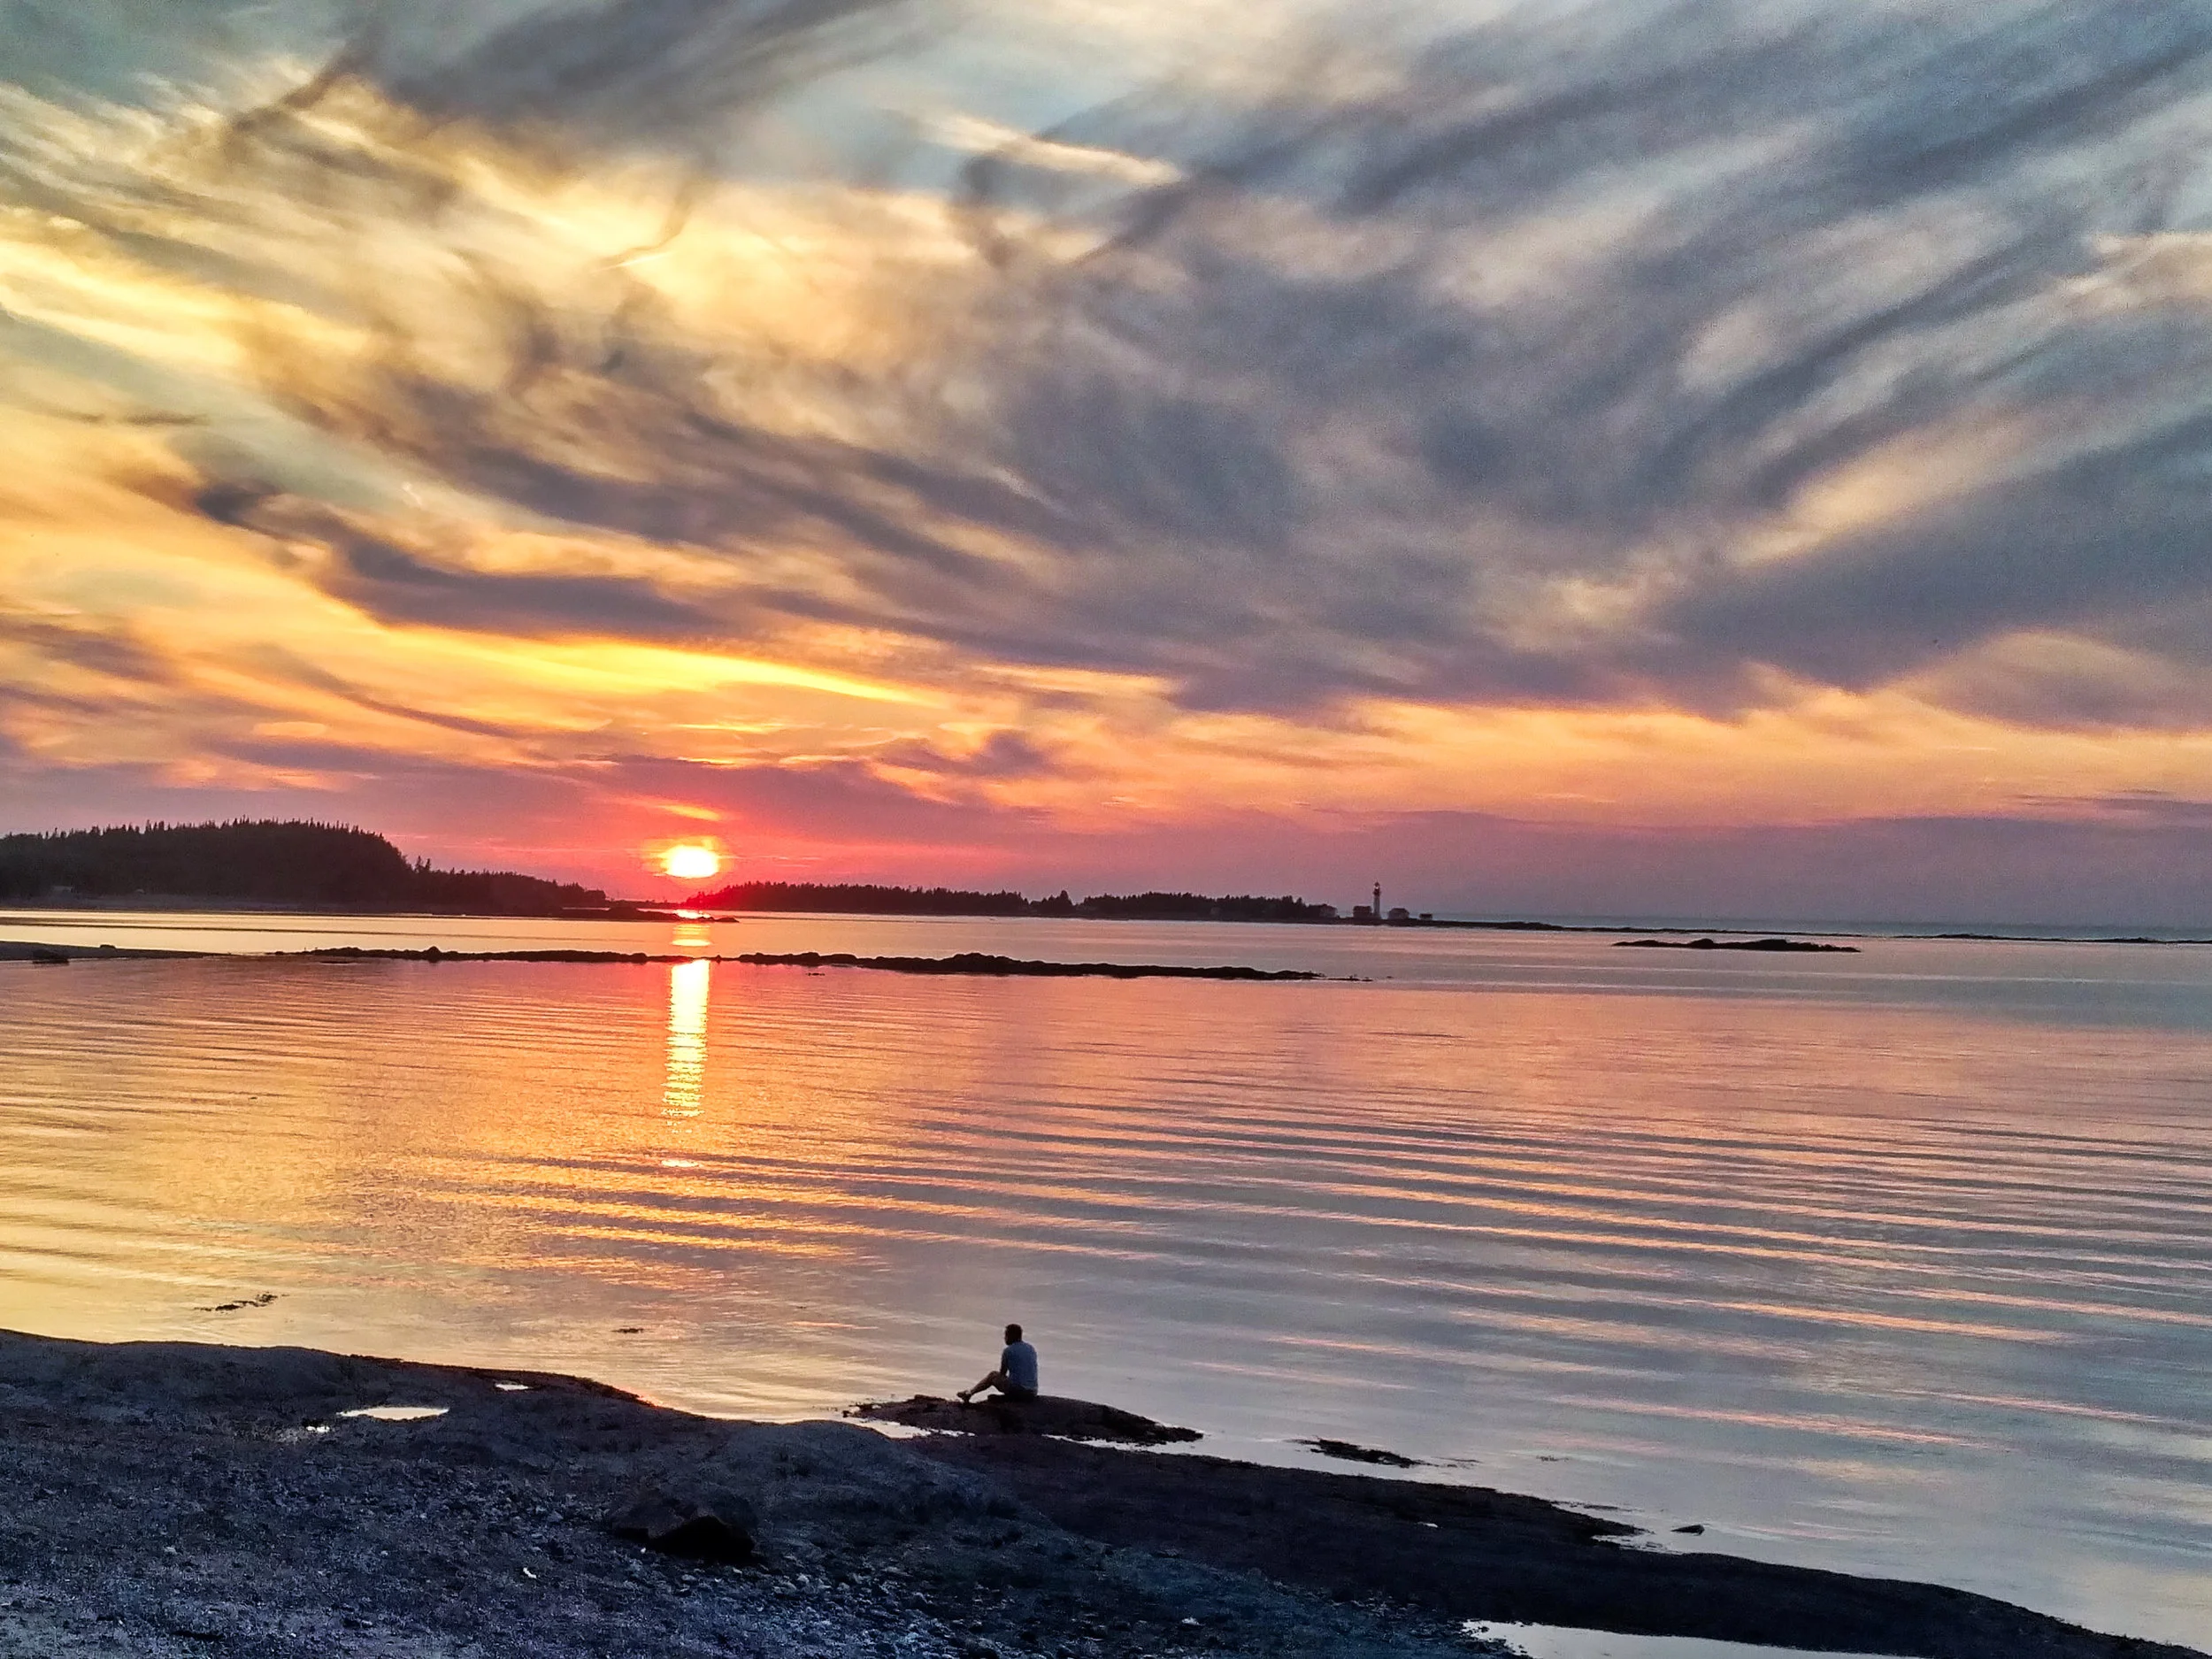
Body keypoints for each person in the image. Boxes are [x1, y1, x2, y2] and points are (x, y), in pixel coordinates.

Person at [957, 1323, 1040, 1403]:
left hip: (1019, 1392)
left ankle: (969, 1393)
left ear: (1011, 1336)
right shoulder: (1031, 1348)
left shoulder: (1009, 1350)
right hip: (1033, 1392)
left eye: (1006, 1335)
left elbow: (1002, 1373)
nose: (1005, 1338)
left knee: (993, 1375)